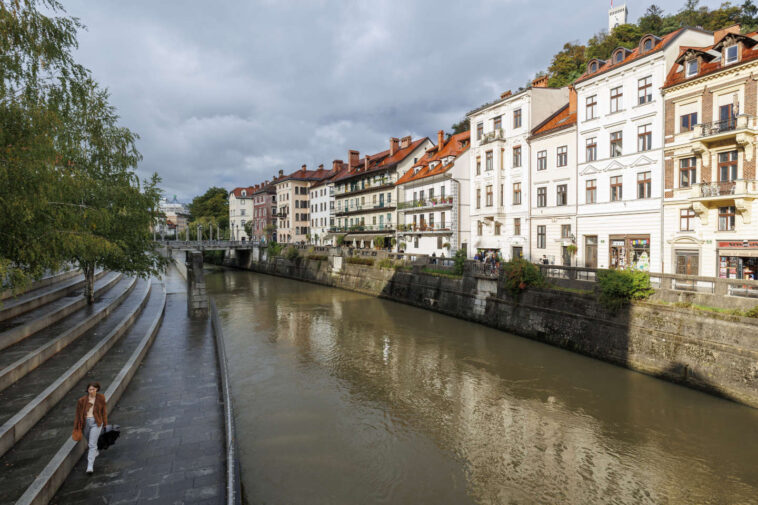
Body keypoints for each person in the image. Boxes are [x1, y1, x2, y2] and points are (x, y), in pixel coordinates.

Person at [72, 382, 107, 474]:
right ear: (87, 390)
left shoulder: (101, 398)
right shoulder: (82, 400)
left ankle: (90, 466)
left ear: (97, 389)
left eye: (93, 389)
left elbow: (104, 411)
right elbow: (77, 415)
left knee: (92, 444)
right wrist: (76, 427)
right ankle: (95, 451)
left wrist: (105, 424)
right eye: (90, 389)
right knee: (89, 440)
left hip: (96, 423)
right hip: (85, 423)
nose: (91, 391)